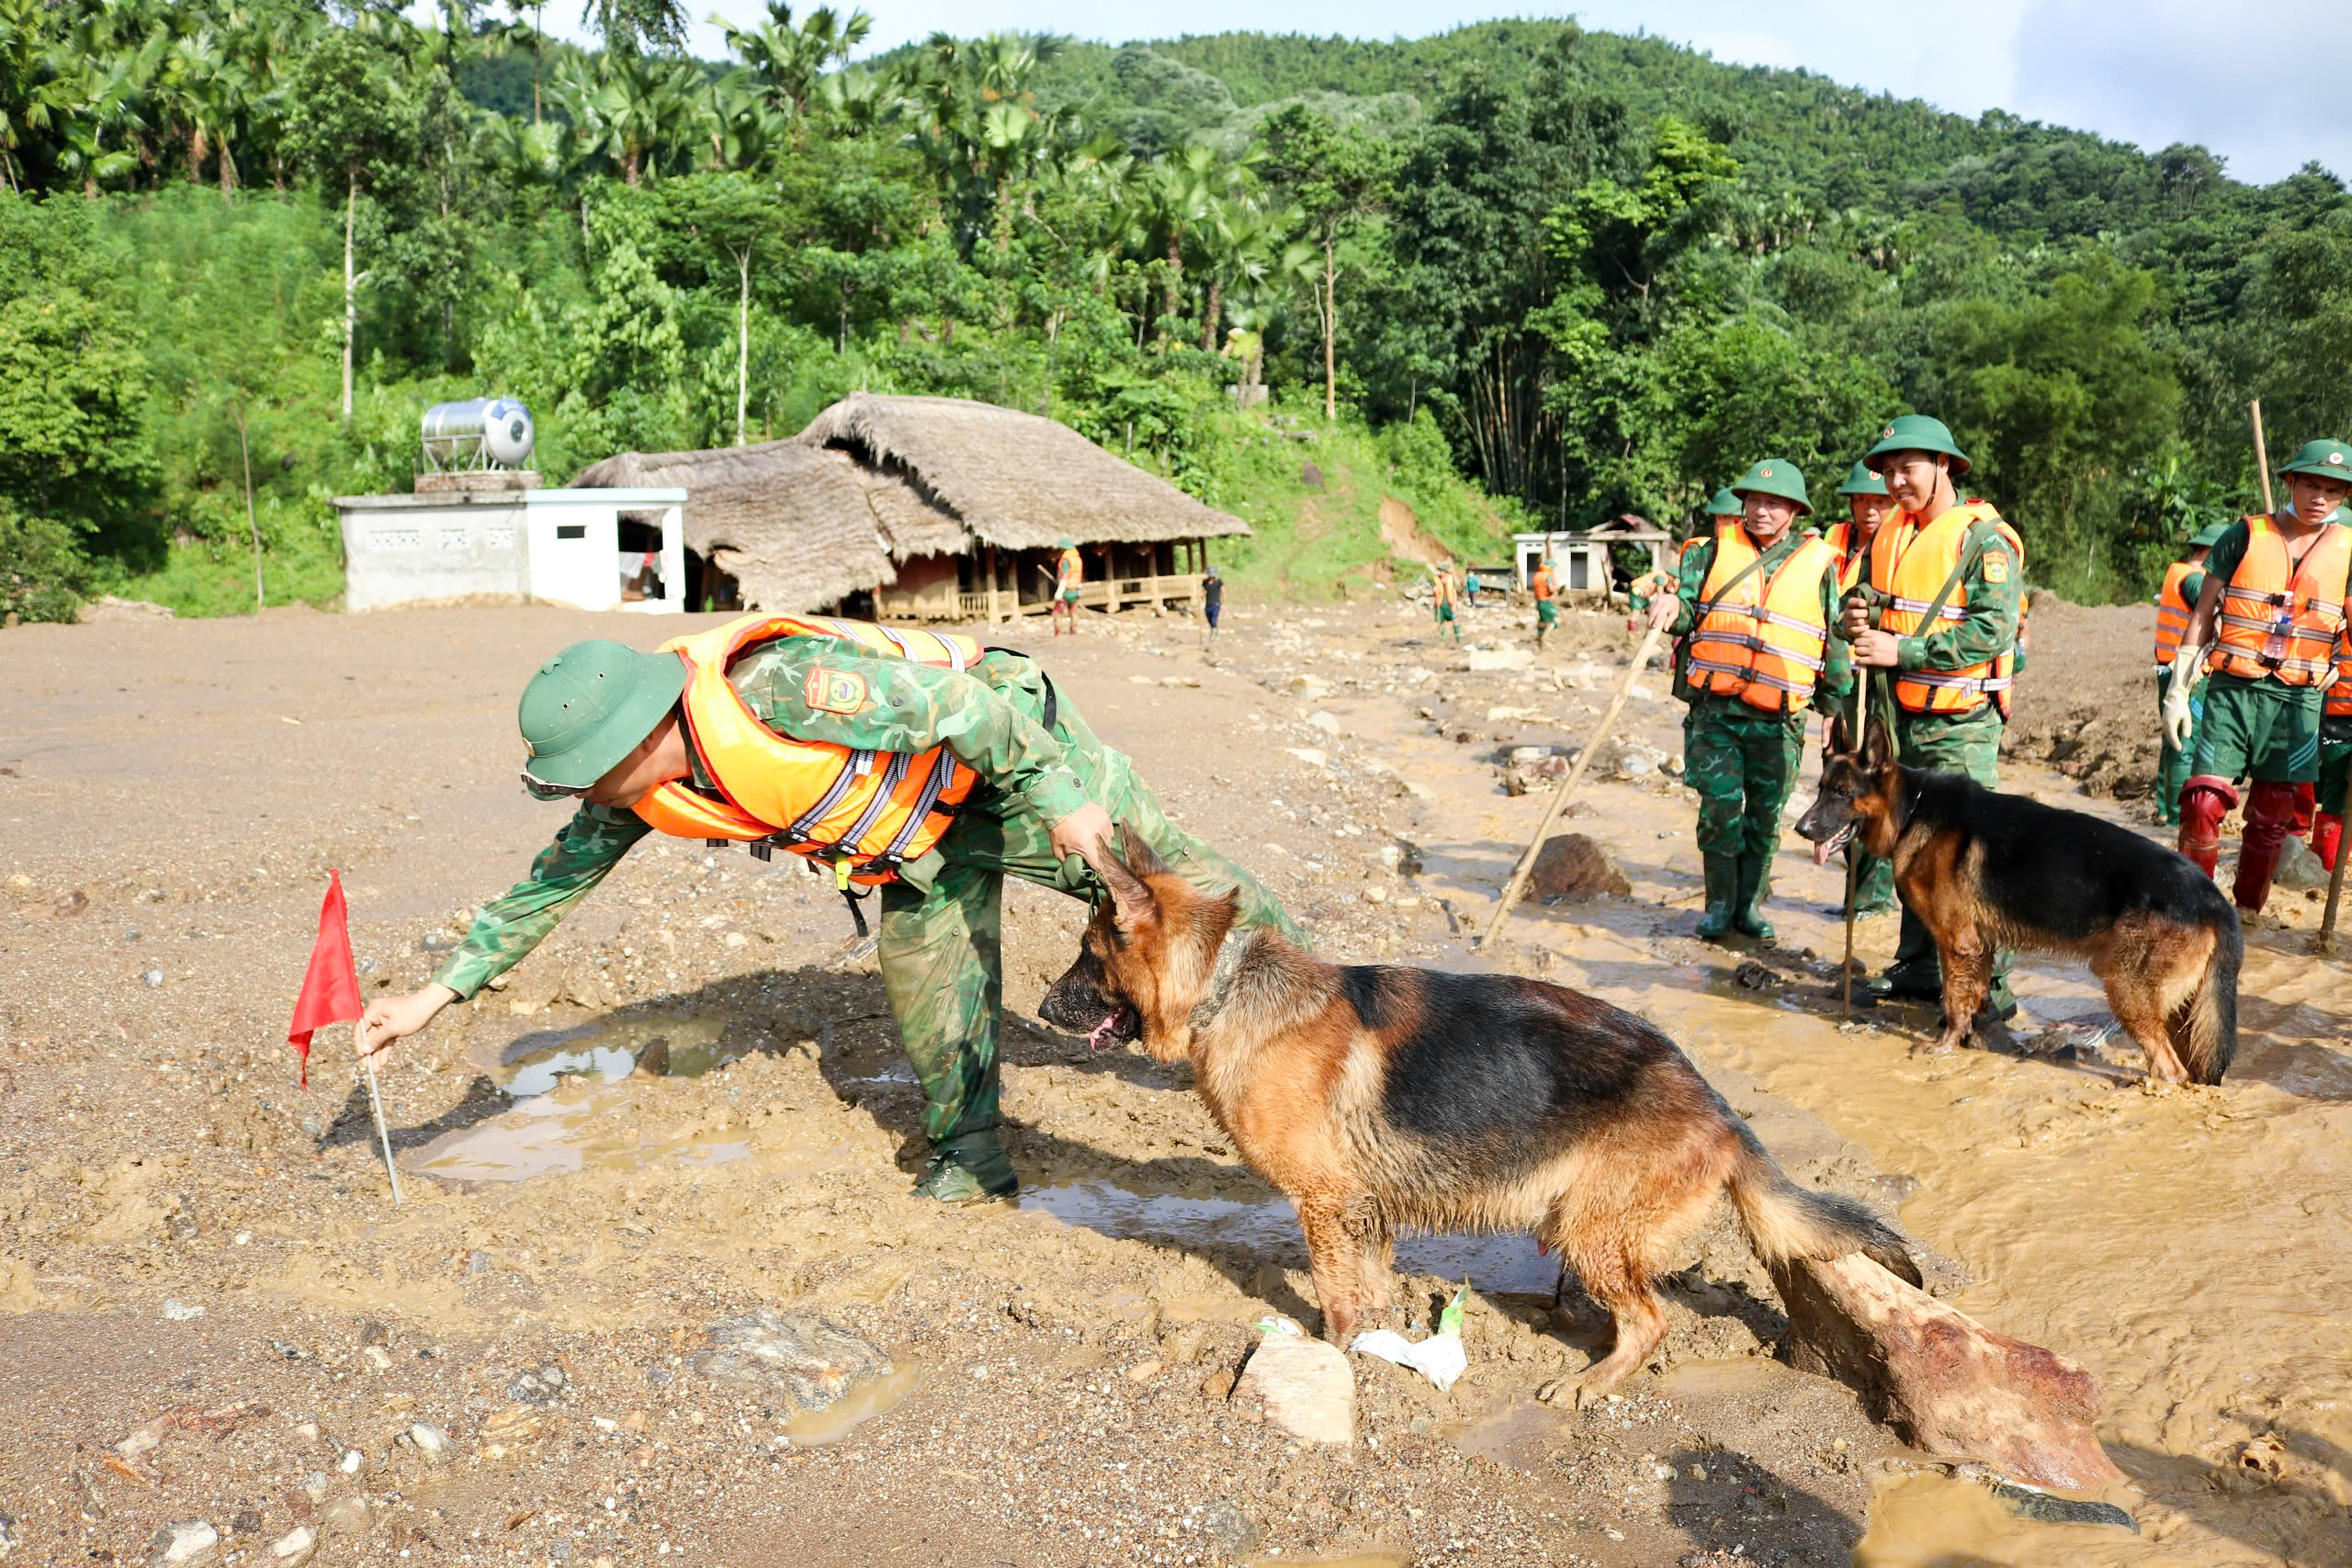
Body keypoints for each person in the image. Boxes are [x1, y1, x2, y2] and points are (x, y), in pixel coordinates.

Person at [354, 615, 1306, 1203]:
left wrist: (1064, 800)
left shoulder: (779, 687)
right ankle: (972, 1161)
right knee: (932, 1002)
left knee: (1205, 908)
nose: (581, 797)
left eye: (584, 776)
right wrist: (434, 997)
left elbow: (972, 713)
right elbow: (548, 886)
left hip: (1017, 775)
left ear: (639, 736)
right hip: (915, 839)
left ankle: (1332, 1025)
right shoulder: (633, 794)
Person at [1838, 415, 2025, 1020]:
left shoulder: (1984, 541)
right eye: (1887, 471)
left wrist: (1905, 650)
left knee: (1966, 859)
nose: (1895, 481)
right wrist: (1854, 615)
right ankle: (1918, 969)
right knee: (1910, 853)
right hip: (1905, 720)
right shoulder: (1893, 530)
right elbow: (1859, 592)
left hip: (1962, 721)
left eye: (1907, 468)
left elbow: (1991, 628)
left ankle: (1989, 990)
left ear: (1944, 465)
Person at [1649, 459, 1849, 942]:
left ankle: (1751, 907)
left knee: (1765, 814)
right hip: (1716, 713)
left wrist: (1838, 712)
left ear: (1794, 511)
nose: (1761, 510)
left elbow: (1833, 637)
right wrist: (1671, 605)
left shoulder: (1820, 564)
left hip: (1779, 718)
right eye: (1754, 501)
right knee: (1719, 809)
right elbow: (1688, 610)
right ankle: (1718, 906)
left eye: (1774, 503)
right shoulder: (1710, 552)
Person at [2163, 438, 2352, 913]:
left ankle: (2246, 913)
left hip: (2300, 700)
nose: (2320, 497)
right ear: (2290, 481)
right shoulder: (2245, 534)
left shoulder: (2348, 548)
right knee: (2203, 803)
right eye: (2311, 483)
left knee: (2272, 819)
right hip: (2233, 693)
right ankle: (2193, 912)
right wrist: (2179, 690)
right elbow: (2203, 611)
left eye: (2333, 490)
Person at [1821, 461, 1899, 915]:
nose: (1871, 510)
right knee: (1840, 791)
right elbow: (1831, 627)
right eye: (1863, 500)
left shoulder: (1905, 549)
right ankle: (1855, 891)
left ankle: (1871, 900)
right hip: (1847, 687)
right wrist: (1831, 703)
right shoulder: (1833, 551)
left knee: (1878, 792)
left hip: (1890, 690)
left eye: (1880, 502)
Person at [2152, 523, 2226, 826]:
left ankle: (2163, 808)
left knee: (2172, 740)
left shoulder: (2177, 572)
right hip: (2187, 675)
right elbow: (2214, 609)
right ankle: (2177, 820)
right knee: (2185, 741)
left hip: (2169, 668)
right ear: (2212, 553)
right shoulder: (2195, 580)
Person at [1051, 537, 1083, 637]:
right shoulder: (1077, 559)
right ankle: (1073, 632)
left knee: (1057, 612)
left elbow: (1064, 577)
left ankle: (1058, 633)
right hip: (1075, 589)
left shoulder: (1066, 560)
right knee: (1073, 612)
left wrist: (1059, 593)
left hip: (1066, 590)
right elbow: (1079, 575)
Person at [1530, 556, 1557, 649]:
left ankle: (1539, 637)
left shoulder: (1538, 575)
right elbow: (1550, 588)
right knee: (1554, 620)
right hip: (1546, 601)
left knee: (1542, 620)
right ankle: (1545, 638)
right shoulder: (1548, 575)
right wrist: (1557, 588)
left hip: (1538, 601)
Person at [1431, 566, 1462, 645]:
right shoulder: (1436, 580)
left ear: (1445, 571)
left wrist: (1454, 604)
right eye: (1439, 571)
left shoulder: (1451, 579)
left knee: (1455, 619)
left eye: (1441, 571)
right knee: (1441, 621)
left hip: (1449, 603)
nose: (1440, 572)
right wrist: (1434, 591)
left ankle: (1458, 637)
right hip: (1440, 604)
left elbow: (1454, 592)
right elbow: (1433, 592)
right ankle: (1442, 639)